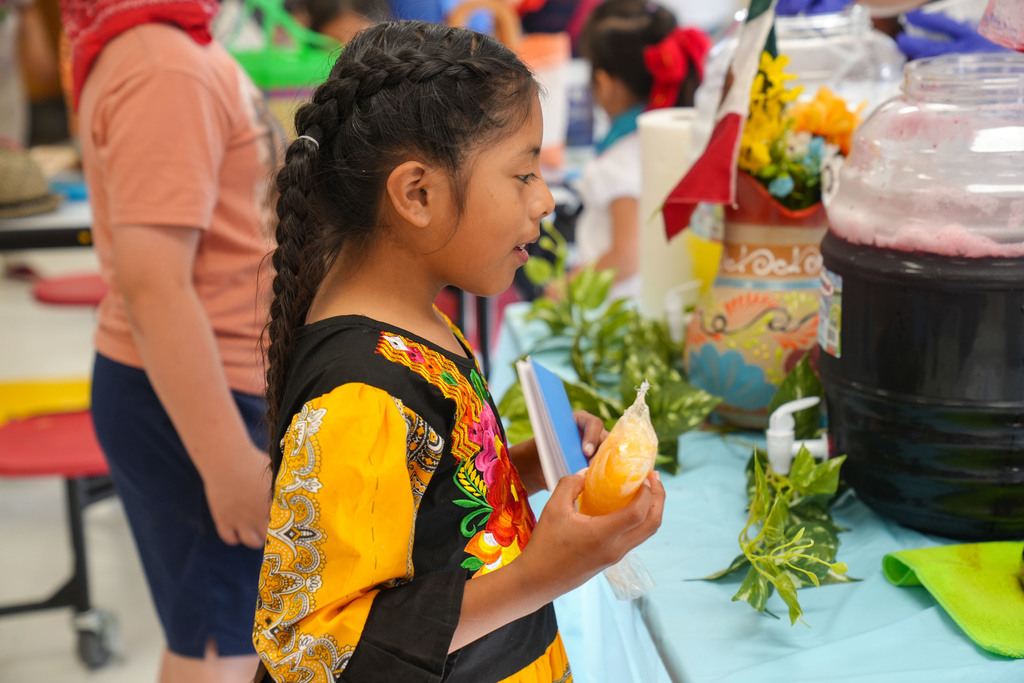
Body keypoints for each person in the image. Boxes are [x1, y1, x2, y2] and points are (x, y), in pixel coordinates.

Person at [253, 20, 665, 682]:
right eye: (523, 173)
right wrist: (544, 572)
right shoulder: (363, 395)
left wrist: (528, 464)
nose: (545, 199)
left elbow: (430, 505)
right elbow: (318, 649)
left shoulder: (418, 321)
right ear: (417, 194)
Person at [60, 1, 283, 680]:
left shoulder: (171, 46)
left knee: (230, 640)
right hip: (197, 395)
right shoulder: (163, 65)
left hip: (208, 380)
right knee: (222, 651)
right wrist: (225, 460)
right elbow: (153, 283)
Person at [553, 0, 709, 301]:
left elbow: (626, 256)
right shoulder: (664, 142)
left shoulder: (620, 160)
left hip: (616, 306)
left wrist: (565, 289)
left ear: (603, 82)